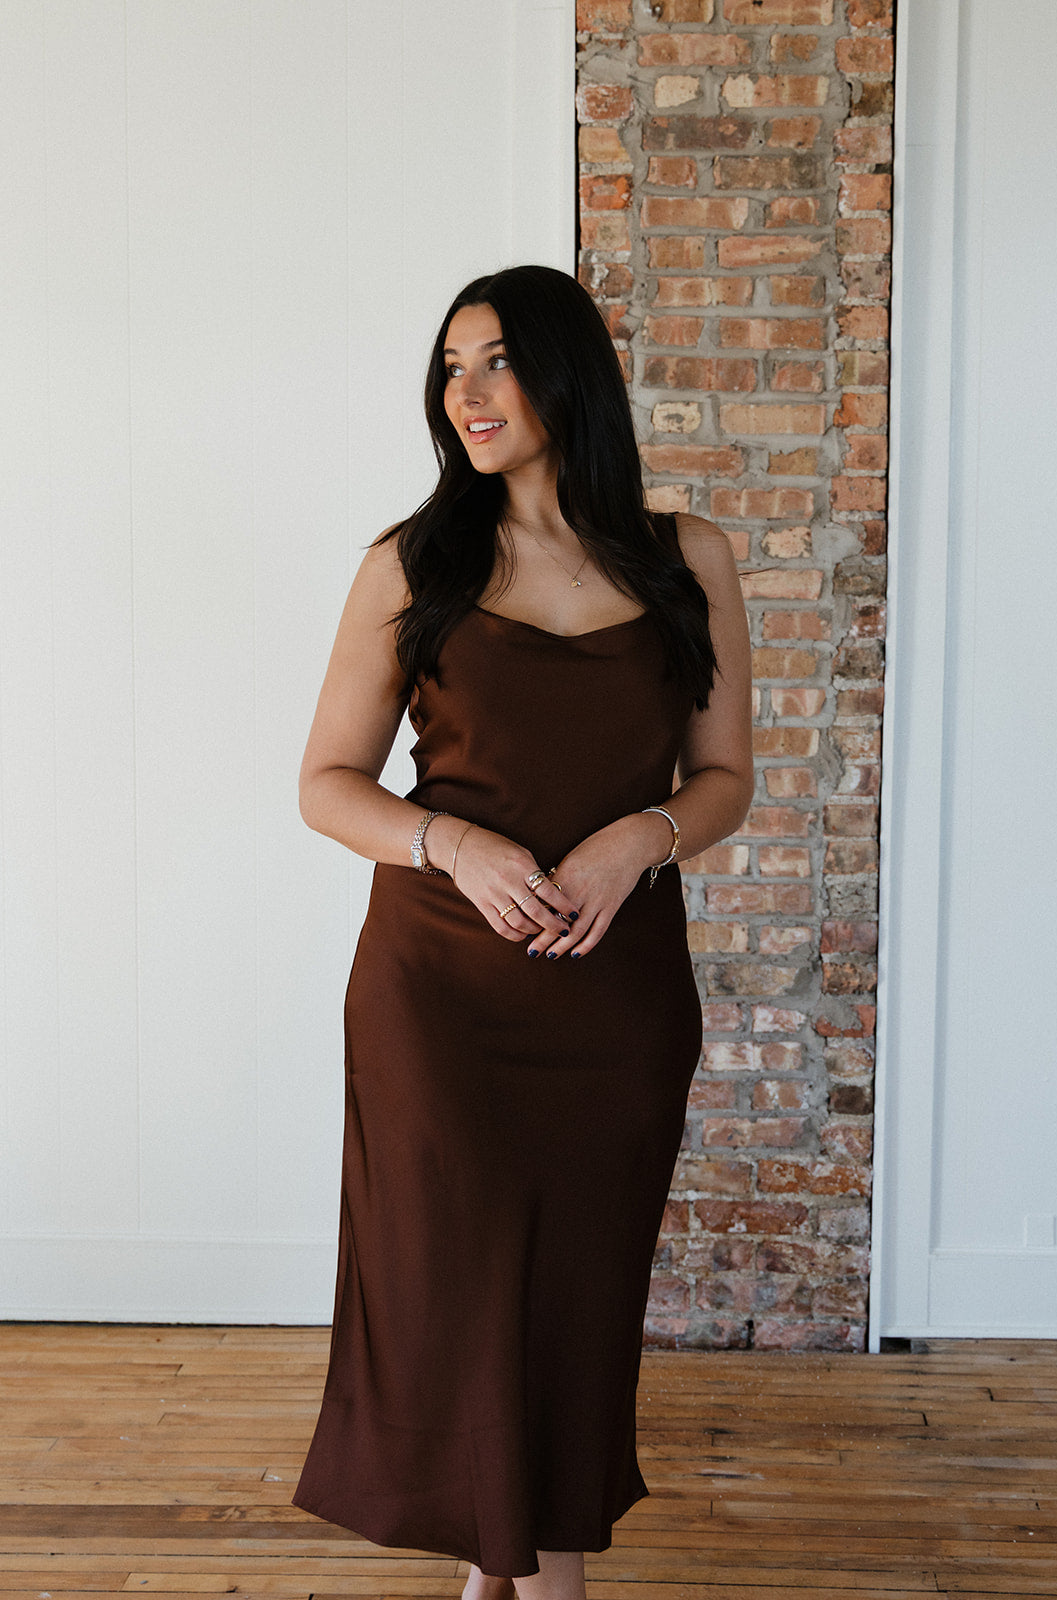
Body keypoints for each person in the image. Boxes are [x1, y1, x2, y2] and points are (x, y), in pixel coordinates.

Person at [290, 264, 754, 1600]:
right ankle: (538, 1577)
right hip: (439, 992)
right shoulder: (413, 563)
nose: (467, 393)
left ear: (568, 373)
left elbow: (726, 778)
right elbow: (325, 784)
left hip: (616, 997)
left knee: (577, 1297)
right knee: (460, 1289)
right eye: (451, 367)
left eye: (495, 360)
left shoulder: (688, 557)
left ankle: (500, 1572)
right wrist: (453, 842)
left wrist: (642, 837)